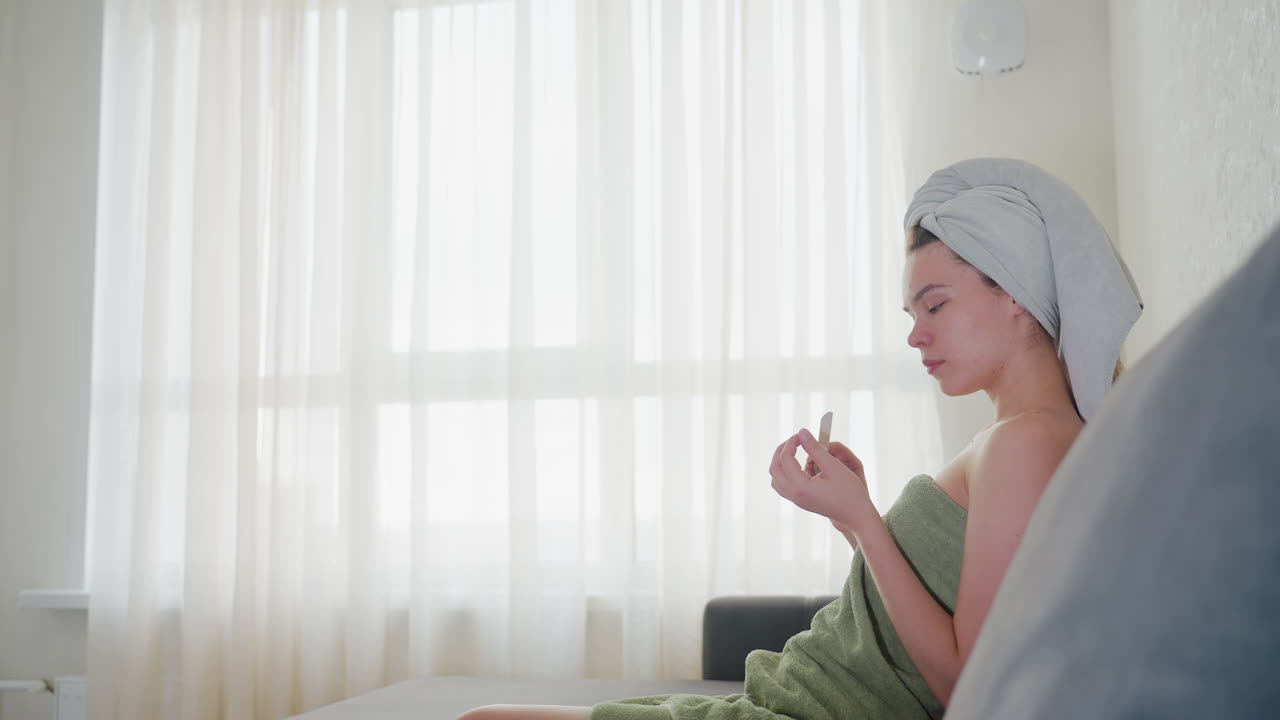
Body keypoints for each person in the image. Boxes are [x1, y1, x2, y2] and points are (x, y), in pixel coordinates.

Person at [457, 158, 1143, 720]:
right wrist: (857, 517)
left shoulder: (1026, 443)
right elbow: (922, 617)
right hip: (792, 694)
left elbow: (967, 682)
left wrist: (865, 522)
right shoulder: (1024, 438)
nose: (915, 334)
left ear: (1016, 292)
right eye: (911, 313)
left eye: (935, 305)